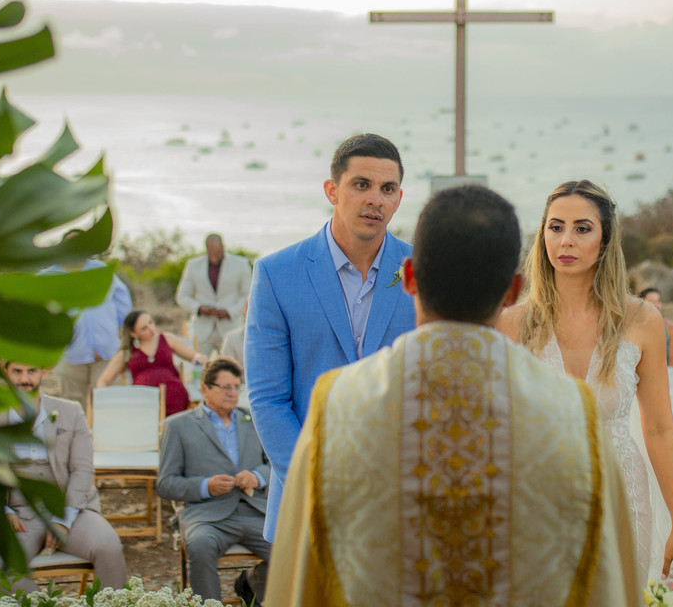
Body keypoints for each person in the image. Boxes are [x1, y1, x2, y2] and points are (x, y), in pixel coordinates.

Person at [266, 185, 640, 605]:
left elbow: (297, 582)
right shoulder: (574, 416)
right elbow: (607, 583)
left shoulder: (336, 406)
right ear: (513, 291)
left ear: (408, 277)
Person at [499, 179, 673, 593]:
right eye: (555, 227)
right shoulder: (513, 323)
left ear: (605, 240)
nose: (566, 240)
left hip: (621, 497)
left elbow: (660, 427)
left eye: (582, 228)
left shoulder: (642, 319)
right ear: (542, 236)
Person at [246, 133, 416, 541]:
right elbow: (268, 398)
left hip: (400, 502)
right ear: (332, 190)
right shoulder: (276, 273)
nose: (375, 199)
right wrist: (316, 481)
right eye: (361, 185)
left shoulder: (422, 270)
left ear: (398, 197)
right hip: (307, 506)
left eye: (387, 189)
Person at [0, 361, 126, 591]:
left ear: (44, 372)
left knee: (109, 547)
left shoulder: (70, 411)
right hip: (19, 514)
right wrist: (2, 510)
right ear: (6, 373)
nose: (24, 379)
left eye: (31, 371)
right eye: (17, 372)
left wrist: (63, 520)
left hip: (69, 507)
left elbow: (83, 469)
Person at [157, 357, 272, 603]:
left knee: (295, 547)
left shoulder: (253, 421)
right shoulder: (178, 426)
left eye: (237, 387)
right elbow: (165, 483)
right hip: (206, 516)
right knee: (200, 546)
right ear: (205, 389)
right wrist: (205, 486)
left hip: (255, 512)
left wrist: (257, 476)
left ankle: (254, 581)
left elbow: (275, 465)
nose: (233, 393)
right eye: (225, 387)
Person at [42, 229, 133, 410]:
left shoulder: (101, 271)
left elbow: (122, 301)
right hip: (69, 355)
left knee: (110, 404)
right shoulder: (47, 277)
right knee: (73, 406)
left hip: (107, 352)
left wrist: (123, 331)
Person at [96, 311, 204, 416]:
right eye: (144, 328)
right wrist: (106, 398)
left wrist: (199, 358)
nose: (151, 329)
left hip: (173, 394)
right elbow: (104, 380)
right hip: (143, 401)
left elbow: (193, 356)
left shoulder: (168, 339)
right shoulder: (127, 352)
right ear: (133, 333)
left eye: (151, 323)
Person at [176, 234, 253, 358]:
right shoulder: (193, 265)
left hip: (230, 326)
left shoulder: (241, 264)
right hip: (202, 329)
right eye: (210, 252)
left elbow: (248, 294)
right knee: (199, 370)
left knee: (231, 368)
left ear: (222, 247)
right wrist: (199, 308)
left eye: (217, 253)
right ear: (206, 249)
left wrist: (229, 311)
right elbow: (182, 296)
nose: (214, 257)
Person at [641, 287, 673, 366]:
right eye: (651, 301)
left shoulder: (670, 328)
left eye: (658, 301)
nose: (656, 305)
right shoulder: (635, 327)